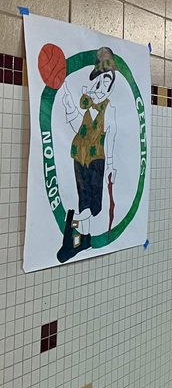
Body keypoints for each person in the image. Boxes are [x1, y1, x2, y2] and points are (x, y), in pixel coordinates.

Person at [58, 47, 118, 263]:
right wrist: (68, 107)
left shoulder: (108, 109)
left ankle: (73, 234)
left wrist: (111, 164)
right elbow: (78, 127)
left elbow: (110, 135)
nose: (102, 87)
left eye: (106, 83)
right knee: (84, 201)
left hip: (96, 160)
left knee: (94, 205)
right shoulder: (88, 106)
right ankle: (83, 240)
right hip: (79, 157)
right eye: (100, 82)